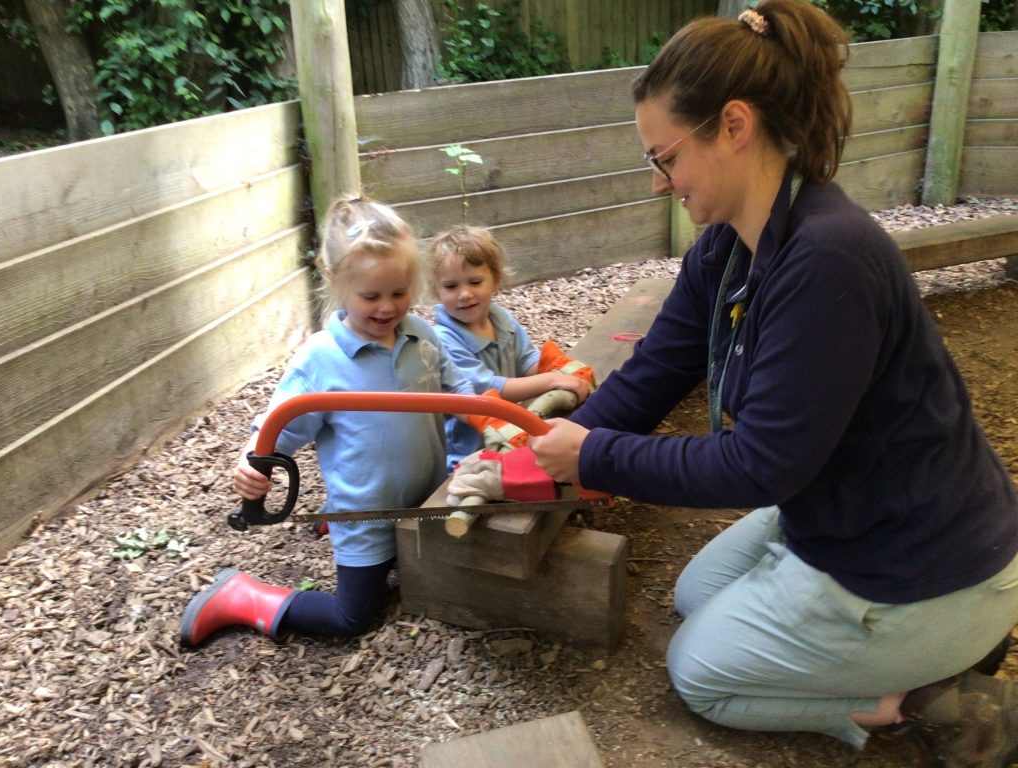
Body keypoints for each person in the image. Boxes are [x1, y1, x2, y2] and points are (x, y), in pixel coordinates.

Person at [525, 1, 1018, 763]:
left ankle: (915, 695)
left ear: (732, 125)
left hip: (923, 566)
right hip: (848, 515)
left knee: (700, 674)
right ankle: (884, 654)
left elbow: (760, 465)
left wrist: (591, 458)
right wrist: (530, 452)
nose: (660, 184)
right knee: (695, 598)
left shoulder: (828, 261)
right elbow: (655, 372)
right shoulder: (726, 248)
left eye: (665, 158)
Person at [179, 195, 474, 646]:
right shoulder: (322, 360)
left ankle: (332, 526)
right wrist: (251, 464)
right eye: (370, 295)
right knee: (352, 618)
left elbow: (459, 394)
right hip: (366, 520)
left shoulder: (423, 337)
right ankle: (242, 595)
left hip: (424, 501)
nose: (387, 307)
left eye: (399, 292)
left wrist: (495, 425)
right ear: (334, 279)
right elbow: (279, 427)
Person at [428, 224, 592, 469]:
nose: (464, 294)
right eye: (451, 286)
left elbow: (526, 362)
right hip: (468, 453)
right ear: (437, 291)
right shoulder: (443, 338)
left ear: (495, 281)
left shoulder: (501, 318)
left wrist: (560, 370)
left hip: (509, 434)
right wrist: (552, 381)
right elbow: (487, 390)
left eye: (474, 282)